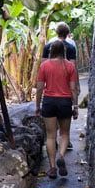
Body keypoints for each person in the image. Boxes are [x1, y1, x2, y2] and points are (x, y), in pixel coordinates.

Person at [35, 41, 79, 179]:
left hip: (49, 102)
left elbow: (40, 87)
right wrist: (75, 106)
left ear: (51, 51)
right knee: (65, 134)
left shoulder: (44, 65)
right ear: (64, 51)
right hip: (65, 102)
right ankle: (61, 155)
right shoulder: (70, 66)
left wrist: (37, 105)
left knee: (50, 136)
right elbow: (73, 88)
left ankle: (53, 167)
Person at [41, 21, 77, 150]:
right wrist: (75, 94)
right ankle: (64, 143)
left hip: (50, 90)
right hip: (66, 88)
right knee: (64, 123)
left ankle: (54, 141)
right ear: (67, 33)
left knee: (52, 120)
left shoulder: (49, 45)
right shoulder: (71, 47)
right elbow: (73, 67)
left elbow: (43, 66)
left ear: (56, 32)